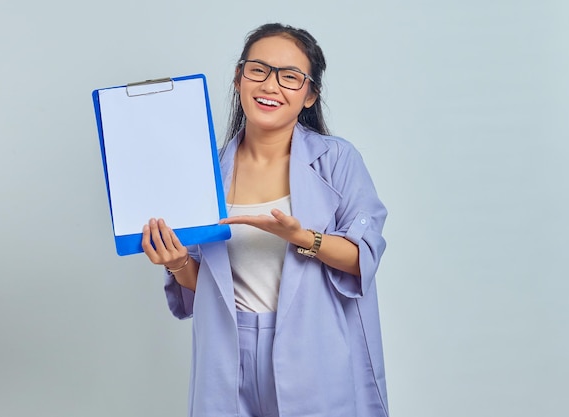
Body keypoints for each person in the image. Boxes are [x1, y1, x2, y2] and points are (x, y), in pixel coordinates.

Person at [142, 22, 389, 417]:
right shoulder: (205, 171)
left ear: (310, 95)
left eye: (290, 77)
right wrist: (177, 262)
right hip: (226, 348)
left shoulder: (336, 161)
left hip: (312, 347)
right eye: (258, 70)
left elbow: (364, 258)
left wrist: (304, 237)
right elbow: (204, 287)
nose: (270, 86)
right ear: (239, 78)